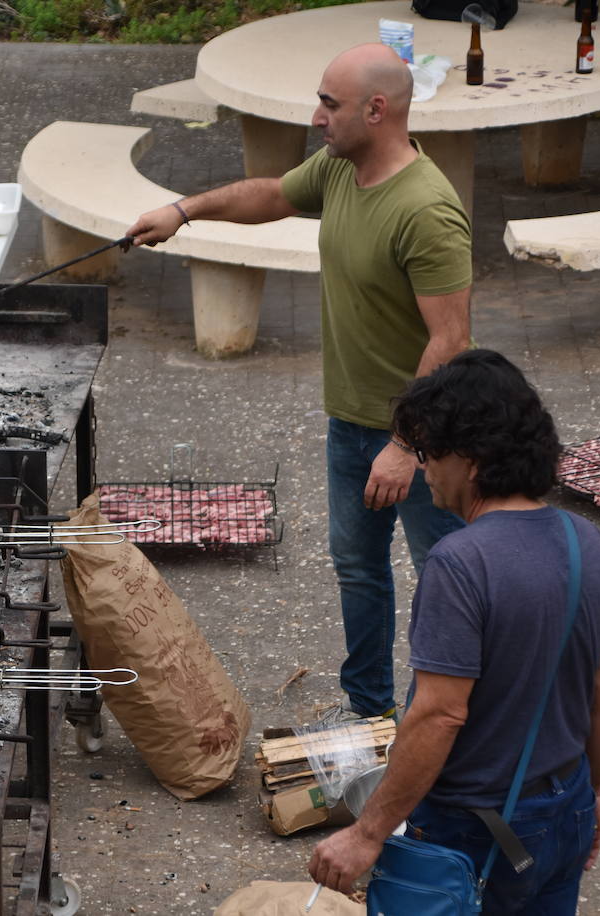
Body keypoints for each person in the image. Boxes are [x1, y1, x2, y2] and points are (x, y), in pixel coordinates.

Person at [126, 43, 471, 720]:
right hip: (350, 422)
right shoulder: (343, 168)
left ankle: (432, 726)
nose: (317, 116)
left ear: (376, 111)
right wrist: (184, 211)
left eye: (329, 104)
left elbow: (450, 341)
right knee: (359, 570)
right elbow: (274, 194)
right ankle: (369, 714)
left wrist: (407, 445)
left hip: (429, 436)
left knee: (446, 580)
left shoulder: (427, 209)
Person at [308, 348, 600, 913]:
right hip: (566, 807)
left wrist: (366, 834)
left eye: (431, 451)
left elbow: (439, 714)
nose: (425, 467)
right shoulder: (589, 543)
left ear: (473, 459)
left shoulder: (460, 562)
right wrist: (593, 793)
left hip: (476, 831)